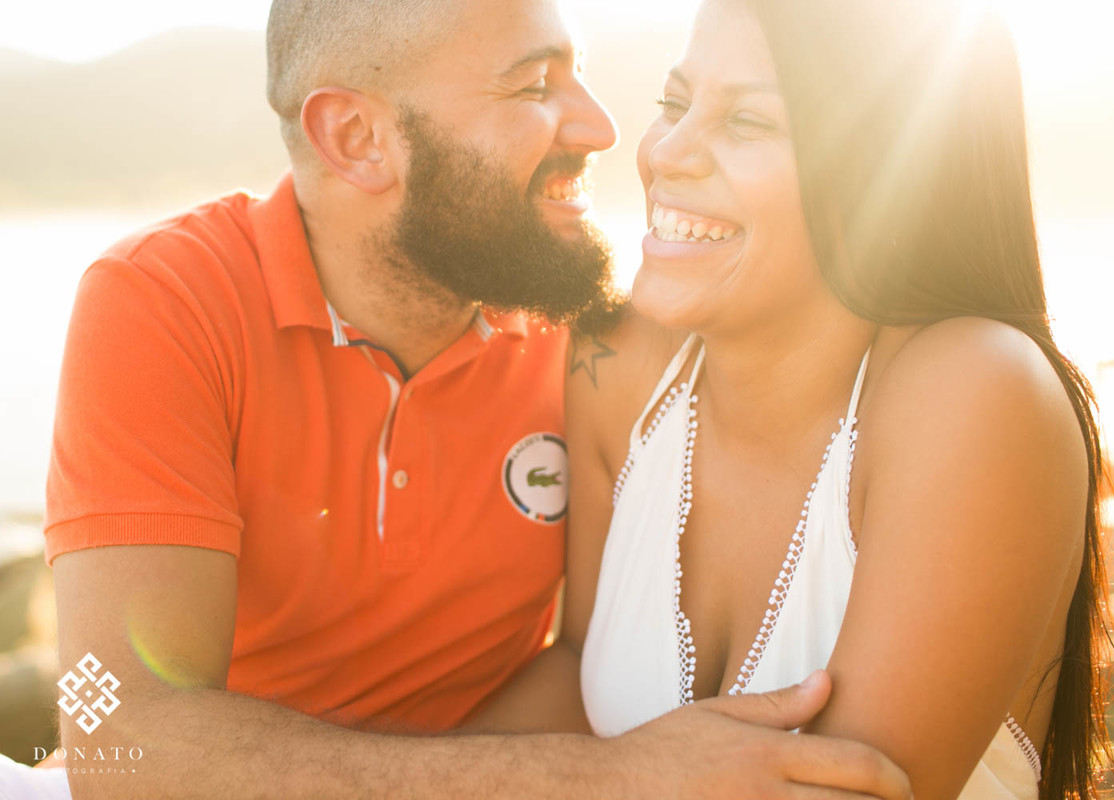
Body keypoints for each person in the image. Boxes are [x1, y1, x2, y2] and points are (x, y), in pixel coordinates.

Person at [20, 0, 914, 798]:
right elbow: (119, 737)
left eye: (578, 71)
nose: (603, 128)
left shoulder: (595, 328)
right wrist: (615, 777)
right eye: (533, 86)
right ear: (357, 139)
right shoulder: (165, 302)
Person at [473, 0, 1114, 798]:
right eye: (674, 104)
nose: (665, 152)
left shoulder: (976, 392)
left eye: (747, 121)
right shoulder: (620, 357)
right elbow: (578, 672)